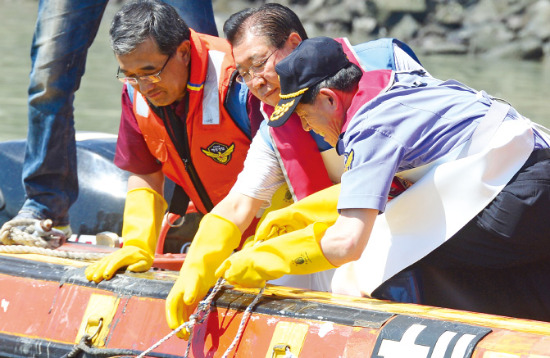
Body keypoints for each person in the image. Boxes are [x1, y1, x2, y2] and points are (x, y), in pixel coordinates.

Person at [216, 37, 550, 322]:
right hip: (535, 170)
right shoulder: (396, 81)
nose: (305, 128)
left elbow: (348, 243)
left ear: (330, 99)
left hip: (516, 199)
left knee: (375, 259)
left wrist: (265, 260)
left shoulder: (367, 129)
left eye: (304, 115)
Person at [164, 3, 426, 339]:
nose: (255, 82)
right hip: (342, 235)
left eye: (259, 64)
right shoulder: (275, 126)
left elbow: (421, 161)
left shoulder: (385, 63)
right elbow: (240, 202)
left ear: (293, 42)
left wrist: (300, 214)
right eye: (242, 73)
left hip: (416, 216)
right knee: (261, 284)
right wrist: (197, 264)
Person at [7, 0, 217, 242]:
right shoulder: (132, 90)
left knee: (203, 67)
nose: (143, 85)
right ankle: (46, 207)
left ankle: (209, 210)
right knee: (48, 79)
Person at [84, 0, 256, 287]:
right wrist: (137, 245)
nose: (144, 85)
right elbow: (145, 171)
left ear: (184, 52)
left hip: (277, 231)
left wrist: (267, 244)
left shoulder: (240, 78)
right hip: (222, 234)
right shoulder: (136, 88)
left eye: (151, 71)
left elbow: (284, 167)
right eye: (130, 74)